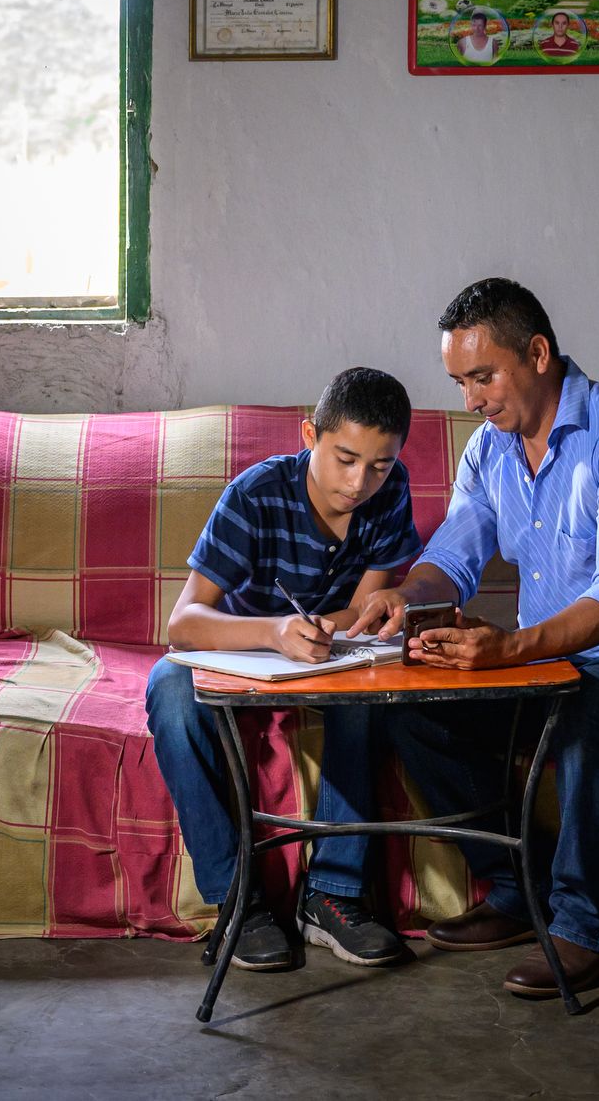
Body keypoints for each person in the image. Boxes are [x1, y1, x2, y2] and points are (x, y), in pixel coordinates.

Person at [343, 279, 599, 999]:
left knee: (591, 702)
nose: (470, 401)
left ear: (539, 353)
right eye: (460, 382)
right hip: (554, 665)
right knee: (409, 700)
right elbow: (452, 559)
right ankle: (519, 893)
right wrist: (405, 594)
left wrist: (512, 650)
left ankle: (585, 927)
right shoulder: (489, 453)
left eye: (483, 377)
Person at [144, 368, 426, 972]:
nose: (360, 482)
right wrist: (273, 632)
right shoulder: (255, 493)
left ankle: (334, 895)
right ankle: (238, 900)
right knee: (167, 689)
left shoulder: (390, 490)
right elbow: (184, 622)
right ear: (309, 435)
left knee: (374, 691)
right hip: (239, 651)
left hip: (328, 655)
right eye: (345, 458)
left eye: (378, 465)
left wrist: (335, 628)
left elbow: (365, 607)